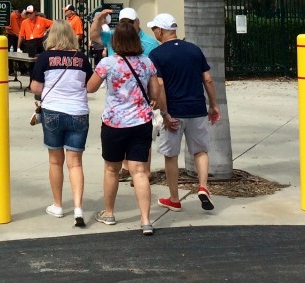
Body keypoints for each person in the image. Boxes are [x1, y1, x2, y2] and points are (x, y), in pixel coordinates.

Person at [86, 19, 170, 235]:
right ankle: (145, 220)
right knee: (140, 171)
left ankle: (109, 213)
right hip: (141, 122)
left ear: (116, 41)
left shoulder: (108, 63)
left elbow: (91, 88)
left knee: (112, 169)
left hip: (114, 122)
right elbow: (154, 93)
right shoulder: (146, 62)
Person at [147, 13, 221, 212]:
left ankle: (174, 198)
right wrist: (213, 104)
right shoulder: (194, 50)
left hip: (175, 113)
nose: (153, 32)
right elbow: (208, 79)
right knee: (200, 150)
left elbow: (160, 86)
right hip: (197, 109)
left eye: (154, 28)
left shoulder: (157, 54)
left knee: (171, 155)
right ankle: (203, 187)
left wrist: (164, 113)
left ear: (161, 30)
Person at [30, 21, 94, 227]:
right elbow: (90, 86)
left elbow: (36, 87)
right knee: (75, 163)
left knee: (55, 160)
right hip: (78, 112)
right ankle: (78, 208)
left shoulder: (45, 58)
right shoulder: (82, 59)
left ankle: (58, 205)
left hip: (53, 111)